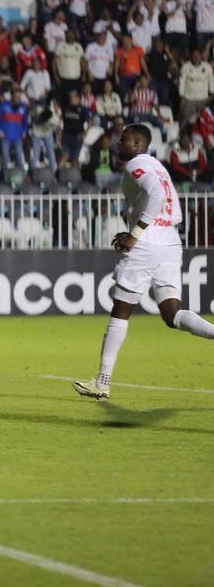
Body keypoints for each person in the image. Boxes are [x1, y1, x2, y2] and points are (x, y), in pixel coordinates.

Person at [73, 123, 214, 401]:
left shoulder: (135, 164)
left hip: (147, 242)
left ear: (138, 144)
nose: (118, 144)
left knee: (120, 311)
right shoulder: (159, 167)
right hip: (170, 240)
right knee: (172, 314)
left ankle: (102, 382)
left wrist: (134, 234)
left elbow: (157, 196)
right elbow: (165, 198)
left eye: (123, 140)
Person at [0, 86, 29, 178]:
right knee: (5, 158)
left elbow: (25, 121)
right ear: (12, 96)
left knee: (19, 157)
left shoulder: (23, 106)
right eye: (16, 95)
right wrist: (0, 130)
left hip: (18, 136)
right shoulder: (4, 105)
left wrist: (25, 131)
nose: (18, 97)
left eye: (19, 95)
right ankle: (4, 178)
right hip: (6, 136)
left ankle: (22, 177)